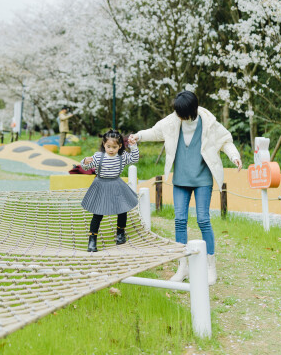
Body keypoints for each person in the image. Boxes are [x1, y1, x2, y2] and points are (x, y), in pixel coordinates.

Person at [130, 90, 242, 285]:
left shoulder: (209, 123)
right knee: (179, 220)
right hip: (180, 179)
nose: (178, 116)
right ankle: (183, 267)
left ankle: (210, 266)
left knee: (203, 220)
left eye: (181, 113)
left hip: (202, 180)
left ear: (191, 110)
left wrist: (234, 156)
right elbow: (156, 132)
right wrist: (138, 136)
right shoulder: (173, 121)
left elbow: (225, 141)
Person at [80, 129, 139, 252]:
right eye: (108, 146)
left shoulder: (122, 156)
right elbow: (87, 166)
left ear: (120, 146)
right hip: (101, 185)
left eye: (114, 147)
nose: (111, 149)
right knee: (98, 213)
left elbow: (134, 159)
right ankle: (92, 240)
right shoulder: (98, 156)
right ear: (103, 144)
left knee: (123, 210)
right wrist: (85, 161)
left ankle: (120, 234)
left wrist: (133, 146)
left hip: (116, 185)